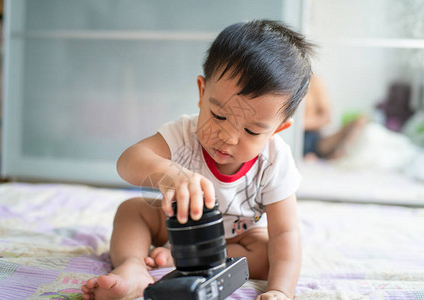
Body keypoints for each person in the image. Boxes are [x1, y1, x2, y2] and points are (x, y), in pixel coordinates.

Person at [82, 20, 314, 300]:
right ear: (202, 93)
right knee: (132, 211)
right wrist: (169, 174)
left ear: (276, 129)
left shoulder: (275, 162)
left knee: (271, 250)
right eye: (219, 116)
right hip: (176, 228)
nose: (227, 137)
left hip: (237, 242)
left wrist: (280, 291)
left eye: (251, 130)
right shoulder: (184, 133)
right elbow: (128, 161)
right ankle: (132, 267)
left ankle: (180, 260)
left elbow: (285, 233)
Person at [303, 76, 367, 160]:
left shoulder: (313, 82)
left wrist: (301, 124)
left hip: (312, 139)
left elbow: (326, 117)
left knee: (360, 120)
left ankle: (338, 154)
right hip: (290, 135)